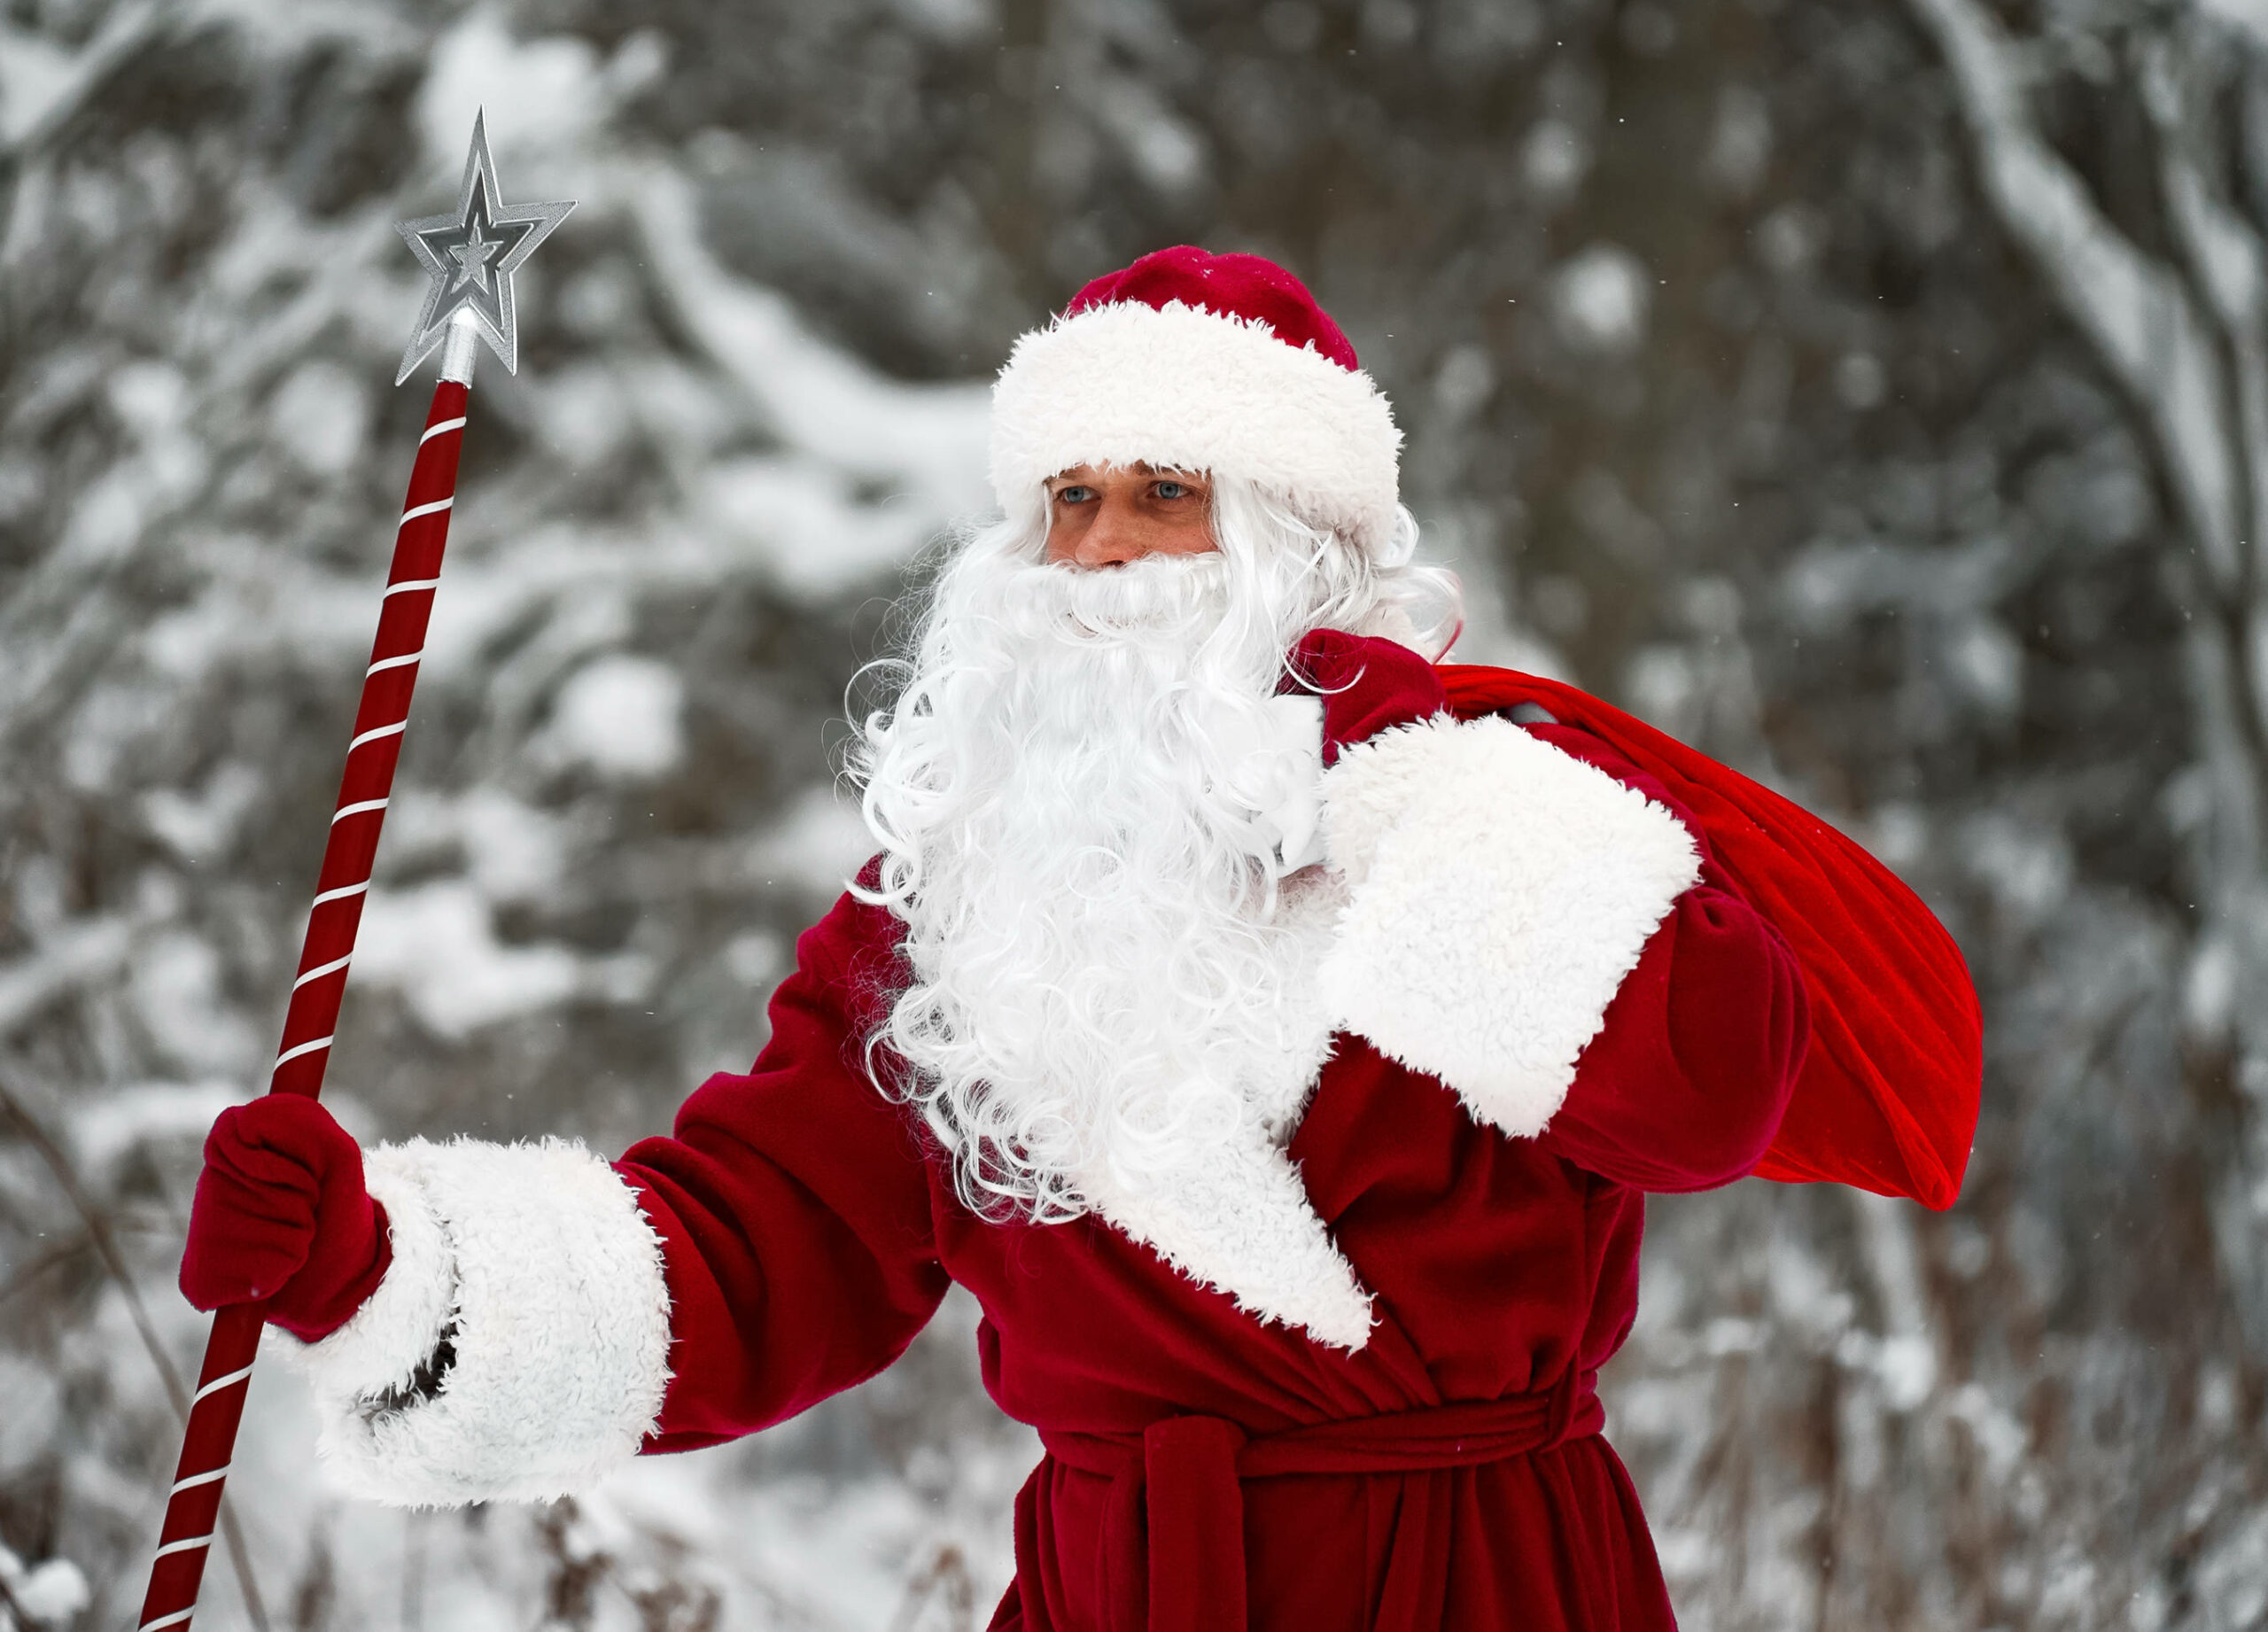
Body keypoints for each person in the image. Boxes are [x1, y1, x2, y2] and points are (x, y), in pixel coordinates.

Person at [182, 247, 1882, 1631]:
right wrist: (375, 1265)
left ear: (1305, 551)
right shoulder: (959, 904)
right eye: (1067, 503)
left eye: (1167, 496)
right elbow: (759, 1240)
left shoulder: (1482, 806)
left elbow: (1711, 1089)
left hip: (1481, 1586)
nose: (1105, 553)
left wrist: (1396, 787)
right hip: (1125, 1597)